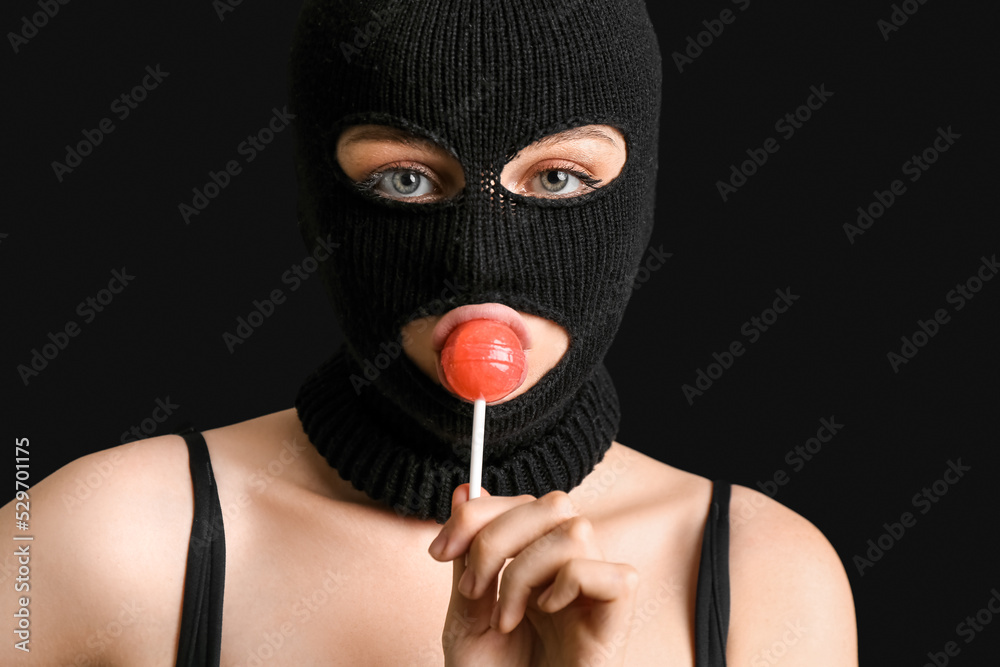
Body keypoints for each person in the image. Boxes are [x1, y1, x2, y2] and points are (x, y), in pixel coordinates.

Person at [2, 0, 858, 665]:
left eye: (558, 176)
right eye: (407, 179)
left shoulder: (759, 581)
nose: (479, 258)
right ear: (317, 201)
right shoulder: (99, 541)